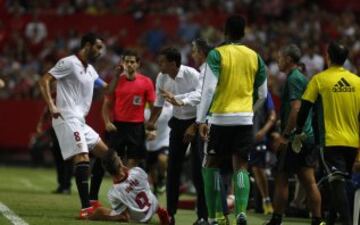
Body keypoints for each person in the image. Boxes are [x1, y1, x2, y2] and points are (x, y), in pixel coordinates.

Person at [38, 32, 122, 219]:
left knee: (109, 155)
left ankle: (98, 201)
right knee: (82, 156)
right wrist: (51, 106)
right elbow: (44, 80)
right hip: (66, 117)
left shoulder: (91, 70)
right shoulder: (68, 62)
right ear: (87, 45)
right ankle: (86, 209)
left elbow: (108, 89)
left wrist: (116, 76)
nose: (101, 52)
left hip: (80, 121)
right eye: (98, 47)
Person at [196, 15, 267, 225]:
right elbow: (263, 95)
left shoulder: (217, 54)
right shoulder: (255, 57)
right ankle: (241, 213)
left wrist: (201, 120)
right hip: (244, 120)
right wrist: (249, 111)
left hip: (220, 119)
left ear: (224, 31)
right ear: (244, 33)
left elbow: (208, 88)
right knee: (241, 167)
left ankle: (214, 216)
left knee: (211, 164)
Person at [294, 42, 360, 225]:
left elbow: (305, 106)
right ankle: (330, 220)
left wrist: (298, 129)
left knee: (336, 184)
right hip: (353, 142)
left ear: (327, 56)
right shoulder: (357, 81)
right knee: (336, 183)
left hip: (330, 141)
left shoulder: (319, 79)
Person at [147, 47, 208, 225]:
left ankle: (203, 217)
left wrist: (180, 100)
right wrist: (152, 121)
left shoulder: (192, 74)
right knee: (173, 169)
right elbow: (158, 103)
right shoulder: (161, 77)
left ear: (173, 63)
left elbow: (203, 96)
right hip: (178, 122)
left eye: (162, 62)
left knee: (198, 171)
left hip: (196, 122)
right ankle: (170, 215)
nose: (159, 65)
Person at [265, 44, 324, 225]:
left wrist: (284, 135)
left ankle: (276, 219)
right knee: (308, 181)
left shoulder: (294, 79)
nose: (278, 61)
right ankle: (316, 219)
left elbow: (296, 109)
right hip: (306, 136)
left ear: (289, 59)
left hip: (296, 139)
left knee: (282, 177)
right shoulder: (297, 77)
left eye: (280, 58)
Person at [102, 49, 156, 168]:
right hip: (118, 126)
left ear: (138, 64)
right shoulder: (115, 81)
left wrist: (152, 128)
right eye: (127, 62)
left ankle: (128, 185)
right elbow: (106, 104)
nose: (129, 64)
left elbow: (154, 107)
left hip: (137, 127)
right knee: (115, 160)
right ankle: (119, 185)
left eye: (132, 62)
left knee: (134, 161)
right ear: (122, 63)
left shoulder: (146, 82)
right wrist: (107, 122)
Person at [89, 152, 170, 225]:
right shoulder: (137, 171)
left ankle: (89, 217)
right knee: (146, 192)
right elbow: (146, 186)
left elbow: (124, 213)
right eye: (118, 157)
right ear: (120, 163)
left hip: (140, 219)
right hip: (153, 206)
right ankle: (161, 212)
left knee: (100, 211)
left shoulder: (113, 193)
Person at [34, 107, 73, 194]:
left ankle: (66, 186)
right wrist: (40, 124)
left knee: (67, 160)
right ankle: (61, 185)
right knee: (59, 160)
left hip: (67, 130)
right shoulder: (53, 99)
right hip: (56, 131)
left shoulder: (68, 99)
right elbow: (46, 111)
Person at [249, 91, 276, 215]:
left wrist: (263, 131)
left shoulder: (264, 93)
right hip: (241, 135)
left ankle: (266, 200)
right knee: (237, 168)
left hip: (257, 137)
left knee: (258, 169)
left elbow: (272, 116)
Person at [144, 101, 172, 195]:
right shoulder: (146, 107)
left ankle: (162, 179)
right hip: (150, 141)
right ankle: (156, 187)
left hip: (164, 139)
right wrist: (147, 132)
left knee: (162, 159)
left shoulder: (169, 105)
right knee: (151, 167)